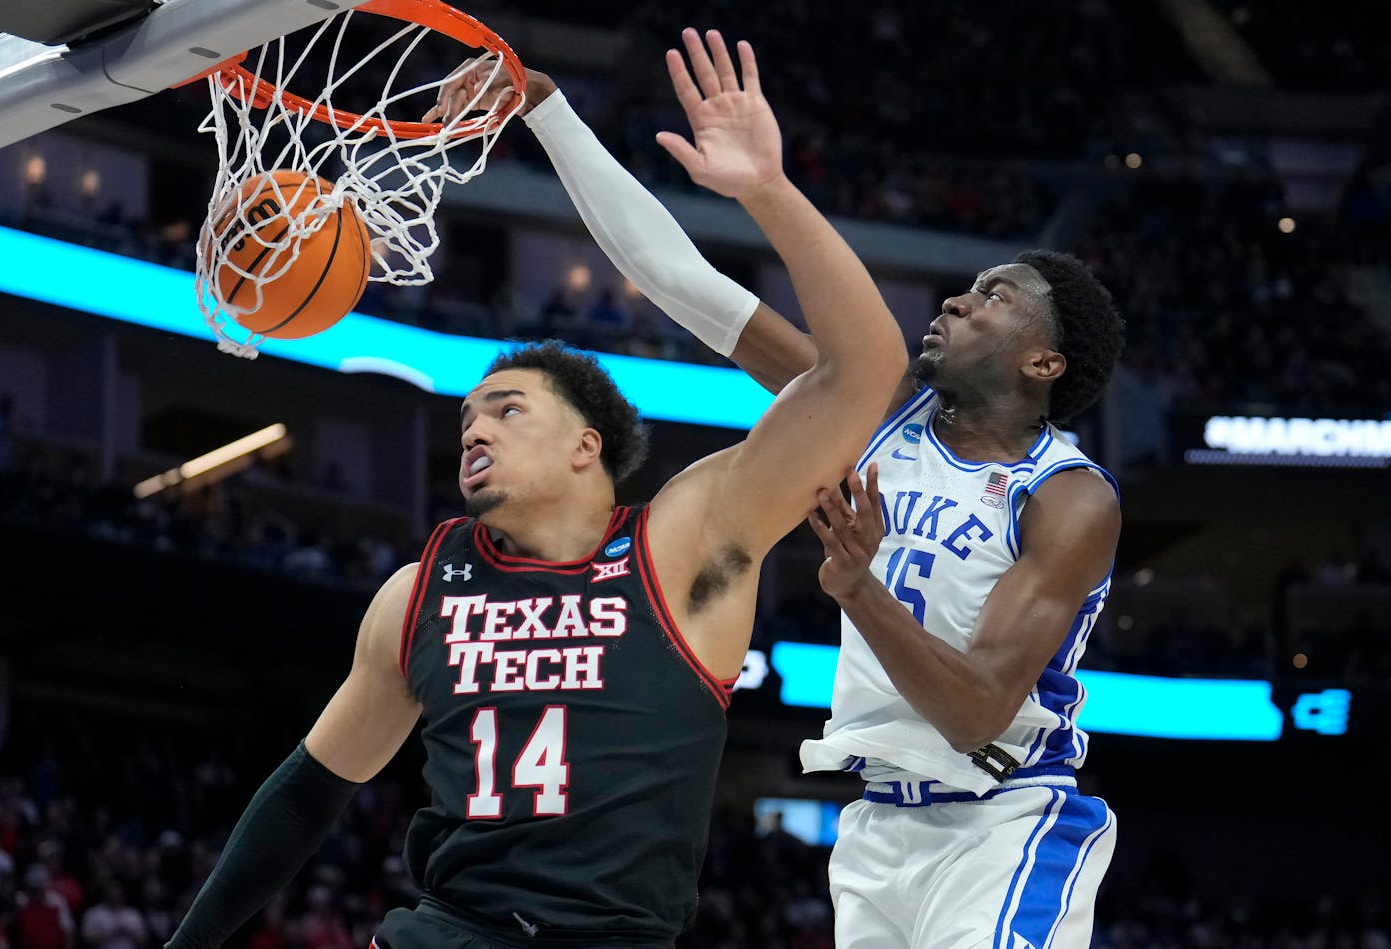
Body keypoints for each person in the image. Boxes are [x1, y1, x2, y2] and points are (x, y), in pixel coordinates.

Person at [163, 29, 905, 949]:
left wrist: (767, 190)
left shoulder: (685, 541)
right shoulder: (420, 590)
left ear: (586, 447)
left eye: (507, 410)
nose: (474, 426)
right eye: (469, 415)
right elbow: (312, 788)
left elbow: (866, 367)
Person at [500, 30, 1125, 944]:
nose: (956, 300)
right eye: (966, 287)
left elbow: (977, 709)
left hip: (1007, 821)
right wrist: (546, 109)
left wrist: (856, 589)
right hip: (872, 830)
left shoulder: (1070, 497)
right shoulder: (873, 420)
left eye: (994, 296)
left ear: (1043, 359)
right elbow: (679, 281)